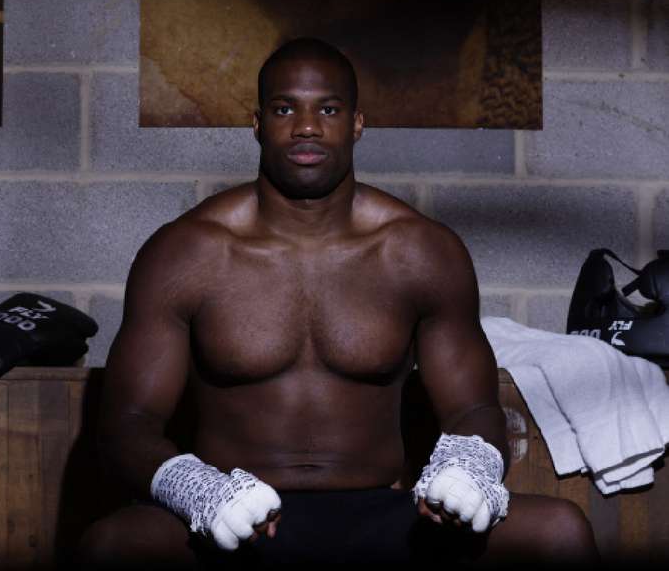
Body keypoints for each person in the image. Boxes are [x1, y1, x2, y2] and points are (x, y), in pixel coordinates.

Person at [77, 38, 598, 567]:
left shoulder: (419, 251)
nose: (307, 127)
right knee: (113, 545)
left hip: (385, 513)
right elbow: (126, 425)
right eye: (285, 109)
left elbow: (473, 407)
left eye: (328, 109)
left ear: (356, 124)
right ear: (258, 124)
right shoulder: (185, 253)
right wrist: (200, 492)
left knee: (558, 530)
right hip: (238, 518)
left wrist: (469, 469)